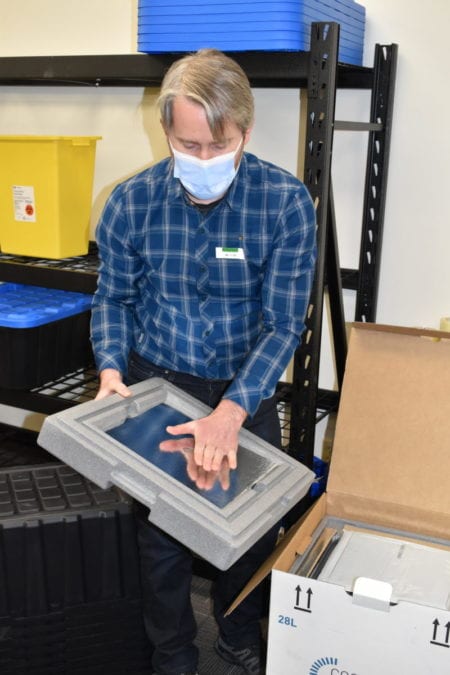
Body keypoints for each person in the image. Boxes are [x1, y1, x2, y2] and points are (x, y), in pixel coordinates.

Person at [90, 48, 316, 675]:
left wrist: (233, 411)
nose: (204, 160)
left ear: (246, 129)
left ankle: (238, 630)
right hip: (161, 381)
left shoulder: (285, 202)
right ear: (166, 130)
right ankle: (171, 654)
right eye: (189, 144)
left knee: (247, 530)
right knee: (162, 537)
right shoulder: (130, 202)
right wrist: (111, 370)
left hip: (247, 386)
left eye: (220, 145)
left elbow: (282, 325)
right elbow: (115, 297)